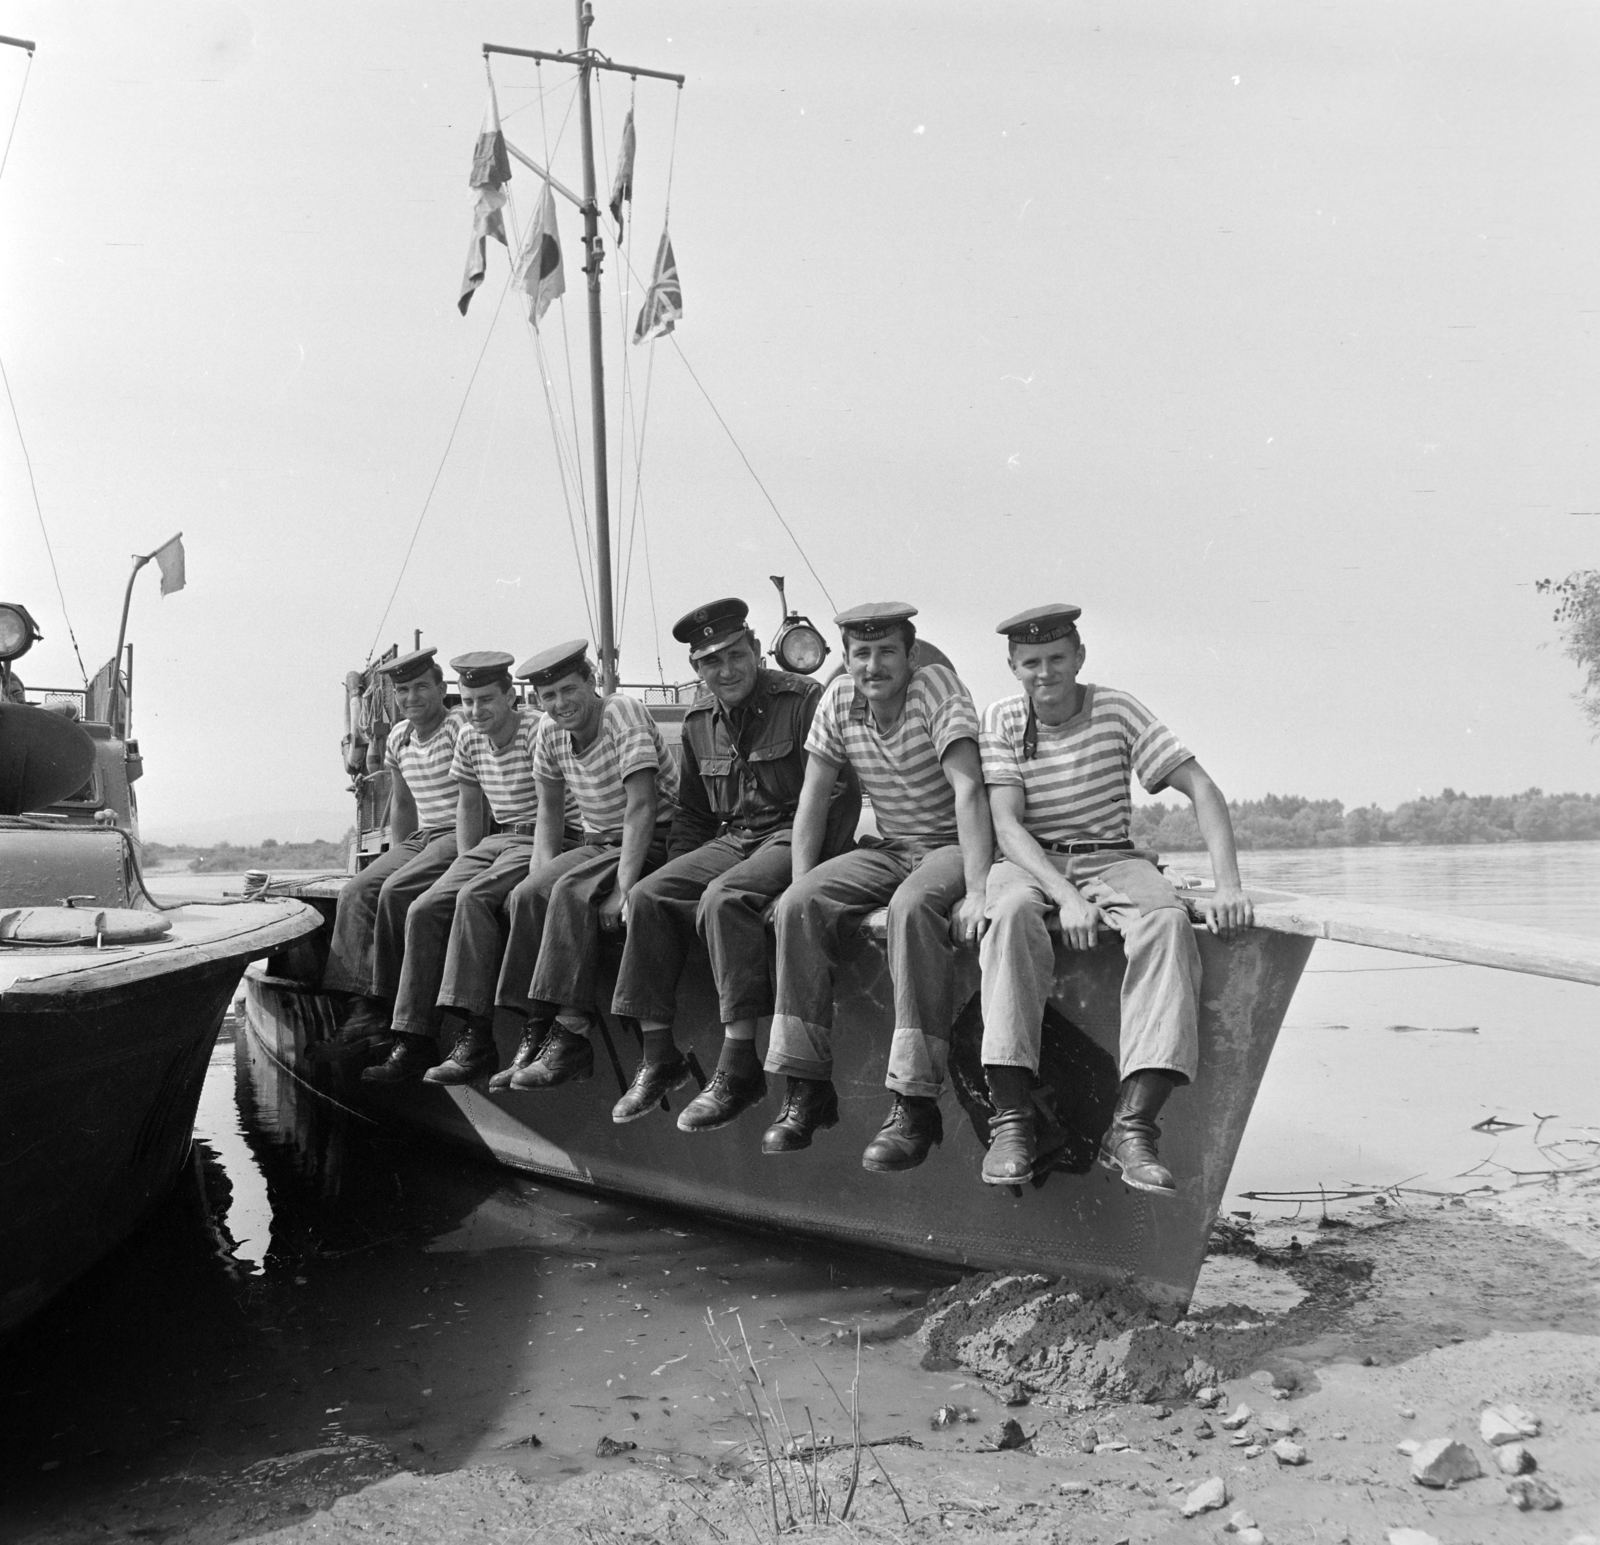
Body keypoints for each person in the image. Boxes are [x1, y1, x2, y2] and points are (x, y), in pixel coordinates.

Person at [977, 604, 1253, 1189]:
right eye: (1030, 663)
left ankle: (1131, 1128)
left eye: (1057, 659)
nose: (1044, 673)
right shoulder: (1000, 718)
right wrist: (1064, 896)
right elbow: (1005, 825)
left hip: (1112, 853)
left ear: (1080, 658)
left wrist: (1228, 886)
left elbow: (1201, 787)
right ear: (1012, 667)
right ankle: (1011, 1121)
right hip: (1031, 857)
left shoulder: (1117, 710)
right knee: (1009, 917)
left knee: (1167, 923)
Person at [608, 597, 859, 1129]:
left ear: (754, 650)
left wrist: (808, 873)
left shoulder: (802, 699)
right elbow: (695, 815)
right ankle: (658, 1058)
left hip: (794, 835)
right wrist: (669, 879)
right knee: (650, 896)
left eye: (735, 655)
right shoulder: (699, 720)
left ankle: (739, 1065)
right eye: (711, 663)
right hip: (735, 838)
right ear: (698, 669)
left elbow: (840, 794)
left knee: (724, 898)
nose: (726, 670)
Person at [763, 602, 992, 1172]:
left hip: (951, 845)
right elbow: (812, 800)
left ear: (910, 656)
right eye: (861, 653)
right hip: (891, 848)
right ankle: (807, 1088)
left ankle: (915, 1101)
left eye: (888, 651)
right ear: (846, 659)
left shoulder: (937, 689)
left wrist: (980, 888)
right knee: (798, 904)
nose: (874, 664)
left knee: (912, 909)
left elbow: (969, 792)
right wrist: (801, 887)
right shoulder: (838, 699)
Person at [489, 640, 679, 1092]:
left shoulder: (621, 713)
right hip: (600, 843)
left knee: (570, 893)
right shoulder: (550, 732)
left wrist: (623, 890)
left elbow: (643, 806)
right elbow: (549, 815)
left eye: (569, 690)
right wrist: (537, 878)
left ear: (592, 682)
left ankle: (572, 1036)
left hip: (657, 837)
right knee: (527, 895)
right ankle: (537, 1027)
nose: (560, 704)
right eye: (548, 696)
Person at [363, 650, 546, 1085]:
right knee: (425, 908)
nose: (477, 710)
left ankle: (476, 1035)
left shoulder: (540, 730)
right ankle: (412, 1036)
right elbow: (469, 807)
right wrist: (465, 864)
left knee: (473, 898)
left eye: (487, 699)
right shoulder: (468, 738)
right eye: (471, 701)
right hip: (496, 841)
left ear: (510, 697)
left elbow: (552, 808)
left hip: (536, 833)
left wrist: (538, 863)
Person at [318, 647, 462, 1058]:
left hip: (460, 832)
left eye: (421, 687)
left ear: (440, 688)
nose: (411, 698)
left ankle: (388, 1008)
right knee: (357, 891)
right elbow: (402, 804)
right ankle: (362, 1007)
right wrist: (398, 857)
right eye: (403, 691)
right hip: (424, 836)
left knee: (396, 893)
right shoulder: (399, 737)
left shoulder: (460, 728)